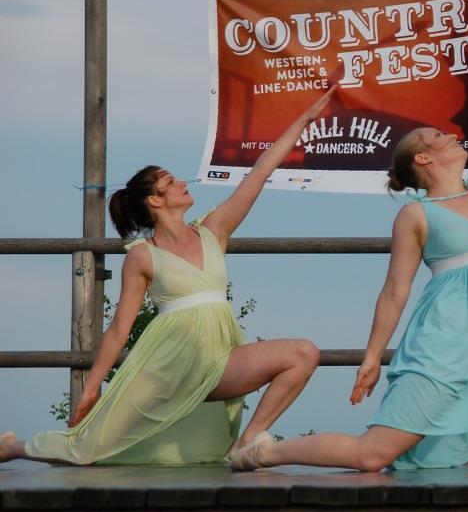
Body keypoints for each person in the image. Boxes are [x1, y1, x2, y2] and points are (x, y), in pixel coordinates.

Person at [231, 34, 468, 472]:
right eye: (438, 136)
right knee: (373, 455)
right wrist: (372, 357)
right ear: (424, 159)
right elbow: (395, 291)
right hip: (446, 347)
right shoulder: (415, 214)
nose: (451, 135)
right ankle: (262, 452)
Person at [0, 86, 337, 466]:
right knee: (87, 451)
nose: (182, 184)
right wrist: (92, 387)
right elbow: (119, 329)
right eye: (171, 182)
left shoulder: (213, 231)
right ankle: (14, 447)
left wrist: (304, 120)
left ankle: (245, 446)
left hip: (217, 361)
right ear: (155, 200)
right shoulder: (142, 256)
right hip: (166, 369)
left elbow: (259, 174)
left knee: (303, 353)